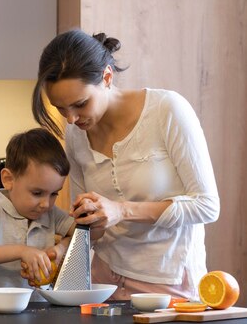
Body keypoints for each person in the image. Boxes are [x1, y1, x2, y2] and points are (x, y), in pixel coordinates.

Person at [30, 29, 220, 300]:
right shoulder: (75, 134)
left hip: (167, 282)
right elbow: (89, 222)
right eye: (61, 108)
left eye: (80, 104)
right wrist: (61, 250)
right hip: (103, 282)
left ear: (107, 77)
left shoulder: (167, 110)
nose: (71, 119)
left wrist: (122, 210)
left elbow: (207, 206)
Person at [0, 128, 79, 303]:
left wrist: (61, 248)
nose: (46, 204)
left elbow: (86, 233)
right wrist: (21, 251)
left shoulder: (51, 214)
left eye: (54, 194)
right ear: (8, 179)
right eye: (37, 192)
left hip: (40, 311)